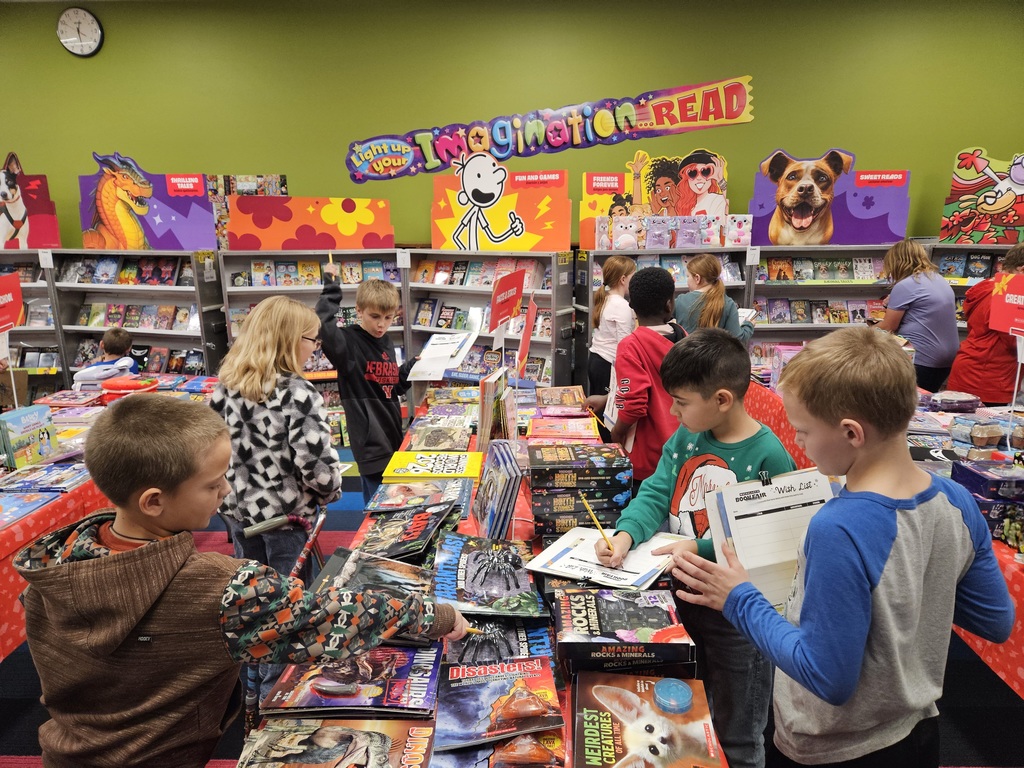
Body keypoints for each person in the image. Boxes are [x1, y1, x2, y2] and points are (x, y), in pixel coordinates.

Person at [14, 394, 468, 768]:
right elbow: (334, 617)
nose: (227, 491)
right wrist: (437, 615)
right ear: (153, 501)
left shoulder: (55, 565)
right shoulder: (218, 587)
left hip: (68, 754)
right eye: (213, 485)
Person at [669, 326, 1014, 767]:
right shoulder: (957, 501)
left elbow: (826, 676)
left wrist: (739, 598)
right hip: (917, 732)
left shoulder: (838, 528)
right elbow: (995, 620)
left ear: (851, 432)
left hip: (832, 748)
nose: (797, 442)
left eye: (803, 431)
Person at [596, 327, 796, 768]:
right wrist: (626, 533)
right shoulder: (686, 438)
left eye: (681, 402)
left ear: (721, 399)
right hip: (681, 600)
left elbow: (767, 538)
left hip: (737, 616)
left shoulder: (768, 456)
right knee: (688, 714)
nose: (672, 410)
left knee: (737, 729)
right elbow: (656, 492)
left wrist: (698, 547)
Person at [211, 295, 342, 579]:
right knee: (289, 594)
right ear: (290, 341)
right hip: (286, 518)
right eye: (312, 340)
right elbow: (319, 471)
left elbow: (210, 446)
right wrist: (330, 491)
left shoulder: (226, 385)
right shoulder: (297, 392)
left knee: (251, 588)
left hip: (238, 510)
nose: (315, 348)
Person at [316, 272, 413, 504]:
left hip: (393, 437)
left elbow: (392, 386)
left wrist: (412, 369)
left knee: (396, 504)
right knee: (378, 508)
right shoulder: (348, 343)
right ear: (359, 310)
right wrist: (331, 288)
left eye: (388, 318)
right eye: (375, 316)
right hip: (371, 444)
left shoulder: (385, 342)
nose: (381, 324)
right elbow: (323, 325)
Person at [606, 267, 685, 488]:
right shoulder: (683, 336)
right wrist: (606, 399)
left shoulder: (631, 346)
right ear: (669, 304)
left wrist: (617, 433)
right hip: (681, 444)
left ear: (631, 306)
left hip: (647, 455)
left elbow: (634, 403)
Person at [946, 243, 1024, 405]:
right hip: (986, 380)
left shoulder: (991, 287)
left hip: (975, 373)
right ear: (1021, 270)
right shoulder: (1005, 295)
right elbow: (1015, 341)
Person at [876, 238, 959, 392]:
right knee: (926, 399)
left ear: (896, 262)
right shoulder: (939, 279)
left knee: (906, 401)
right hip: (946, 357)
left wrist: (859, 334)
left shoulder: (906, 284)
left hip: (920, 357)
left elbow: (888, 327)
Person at [674, 252, 754, 343]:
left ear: (697, 278)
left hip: (685, 352)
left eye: (688, 276)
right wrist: (749, 325)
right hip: (717, 352)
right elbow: (737, 339)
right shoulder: (727, 303)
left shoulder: (680, 301)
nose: (687, 280)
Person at [588, 255, 636, 403]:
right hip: (608, 364)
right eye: (633, 277)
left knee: (597, 406)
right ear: (623, 279)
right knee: (607, 409)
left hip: (597, 358)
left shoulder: (606, 298)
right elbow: (624, 344)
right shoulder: (621, 305)